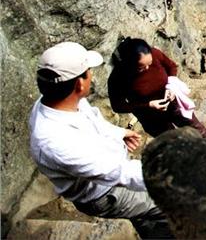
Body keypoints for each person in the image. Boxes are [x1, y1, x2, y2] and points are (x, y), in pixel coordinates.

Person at [29, 41, 173, 239]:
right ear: (80, 83)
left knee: (145, 213)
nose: (92, 75)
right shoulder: (54, 142)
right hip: (105, 192)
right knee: (168, 205)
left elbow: (93, 120)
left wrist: (118, 133)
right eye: (88, 71)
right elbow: (117, 172)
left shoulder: (58, 100)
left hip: (111, 173)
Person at [108, 38, 206, 140]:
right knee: (173, 144)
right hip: (151, 118)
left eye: (150, 64)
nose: (147, 69)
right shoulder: (118, 77)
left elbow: (172, 67)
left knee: (198, 131)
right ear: (129, 64)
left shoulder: (155, 54)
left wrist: (171, 87)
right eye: (141, 68)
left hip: (173, 104)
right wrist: (148, 105)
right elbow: (118, 106)